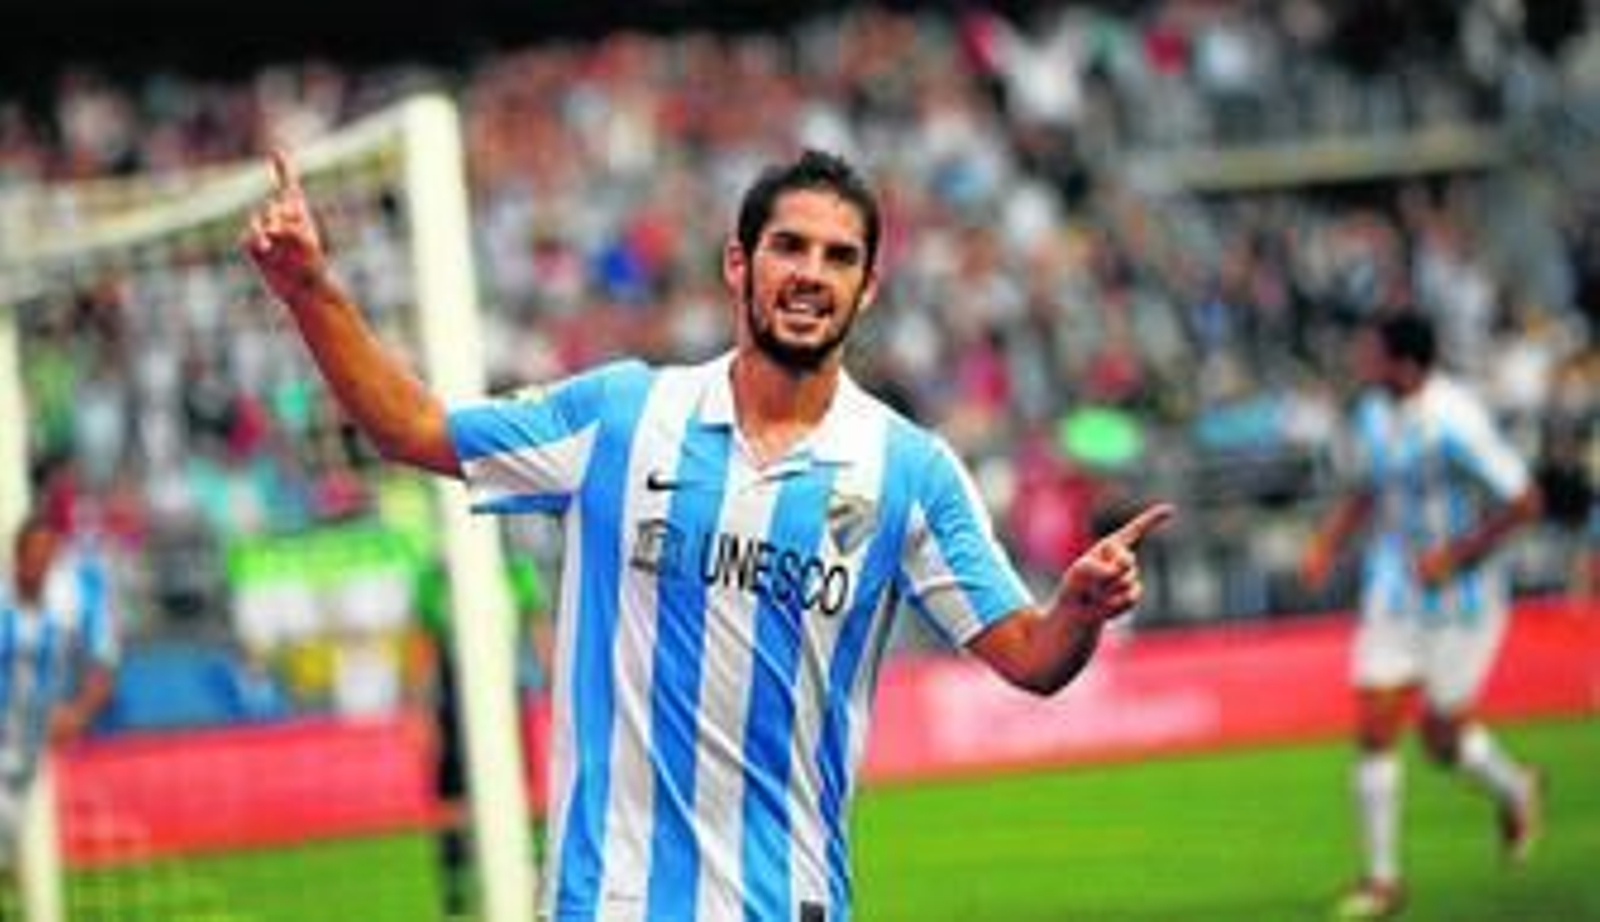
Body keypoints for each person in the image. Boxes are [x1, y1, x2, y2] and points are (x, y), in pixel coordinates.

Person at [244, 146, 1172, 921]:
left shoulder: (910, 470)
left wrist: (1080, 611)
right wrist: (310, 290)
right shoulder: (623, 415)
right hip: (607, 897)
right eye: (789, 247)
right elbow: (412, 428)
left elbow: (1031, 656)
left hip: (790, 900)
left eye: (839, 256)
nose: (811, 272)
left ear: (869, 287)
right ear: (740, 264)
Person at [1300, 312, 1545, 920]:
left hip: (1463, 602)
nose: (1361, 362)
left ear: (1403, 363)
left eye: (1370, 352)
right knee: (1374, 722)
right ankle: (1384, 882)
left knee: (1441, 737)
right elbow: (1367, 489)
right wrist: (1328, 543)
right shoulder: (1373, 414)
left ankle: (1516, 788)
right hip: (1394, 592)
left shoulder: (1454, 420)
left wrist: (1456, 555)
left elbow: (1524, 501)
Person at [0, 513, 120, 861]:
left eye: (48, 555)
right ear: (17, 557)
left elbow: (104, 662)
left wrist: (78, 713)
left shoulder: (77, 596)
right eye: (32, 555)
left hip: (30, 735)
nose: (40, 564)